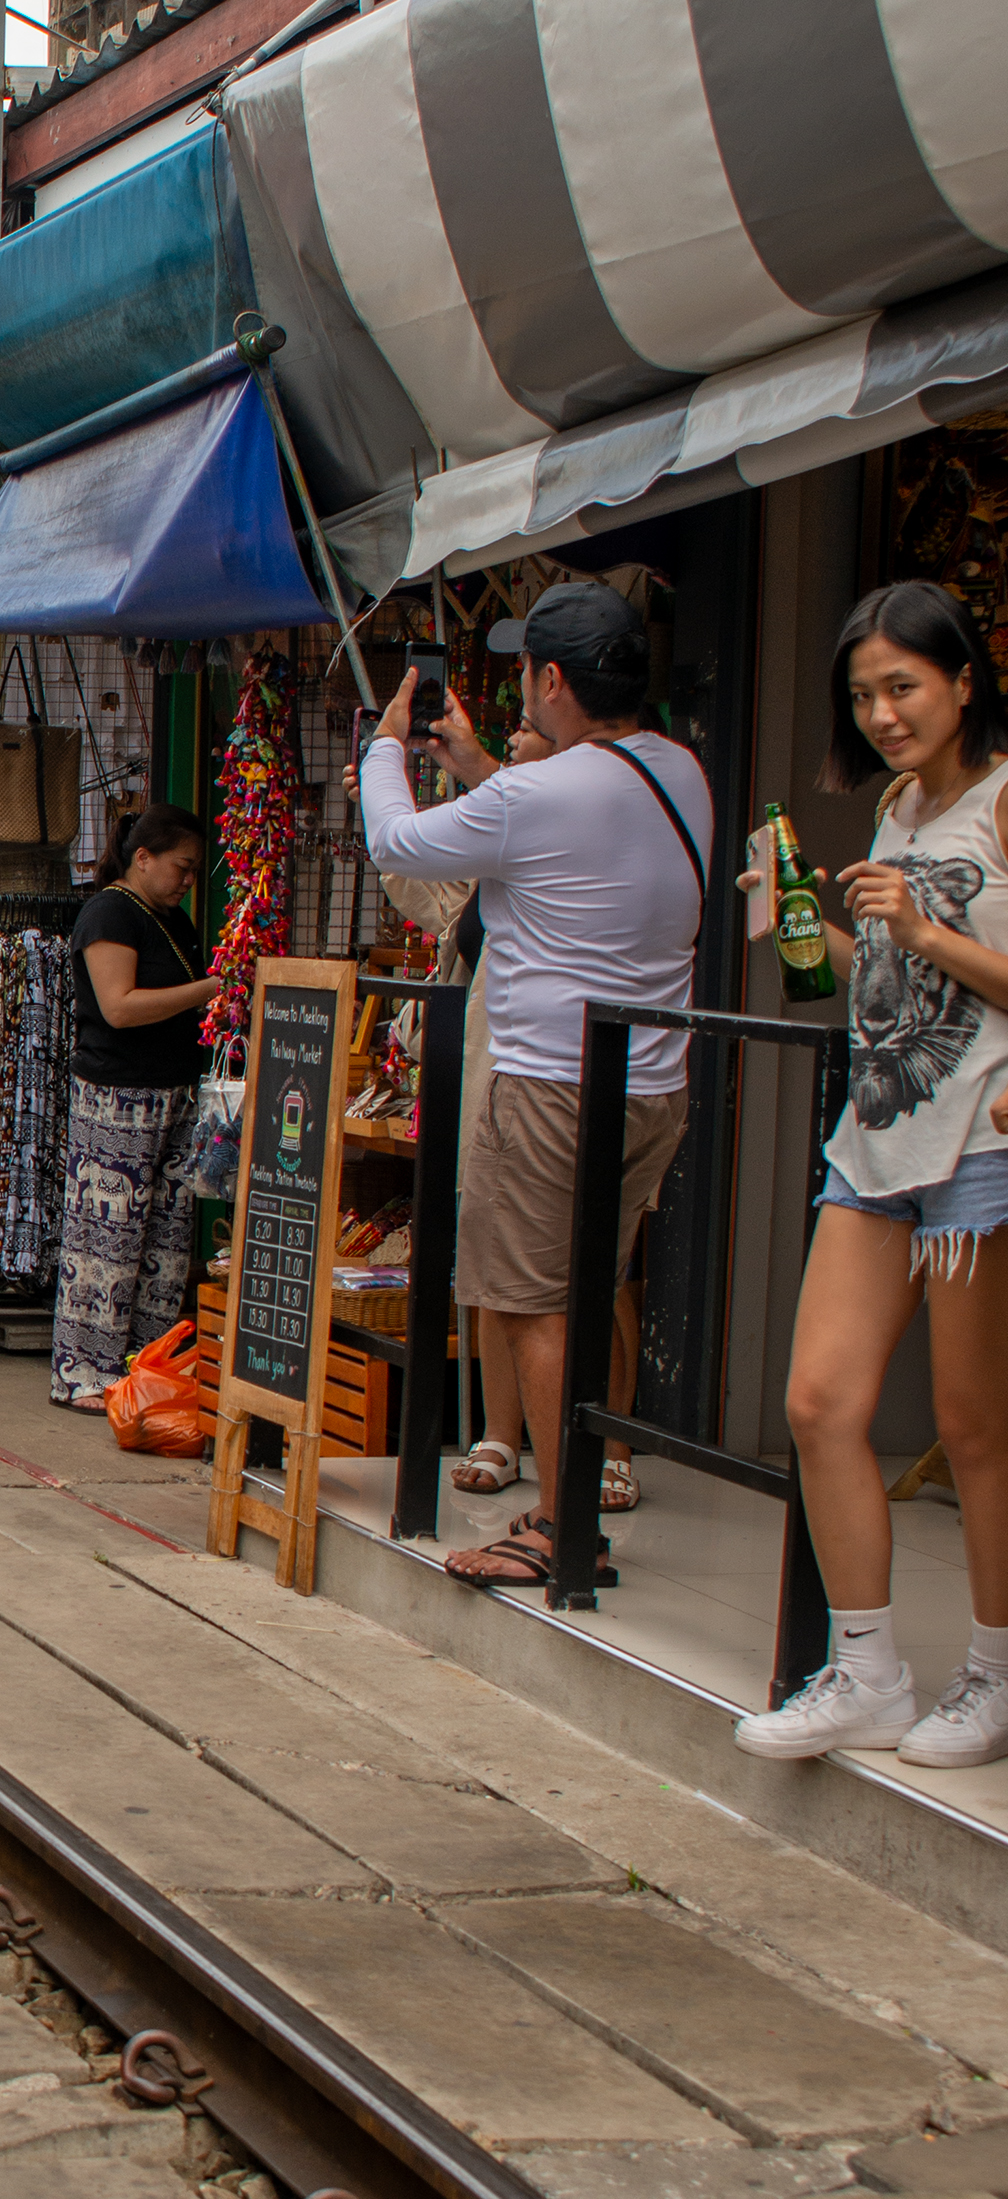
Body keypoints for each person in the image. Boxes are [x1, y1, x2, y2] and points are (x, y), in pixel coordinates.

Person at [359, 581, 709, 1591]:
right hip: (650, 1082)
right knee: (593, 1290)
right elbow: (575, 830)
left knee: (531, 1302)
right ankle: (579, 1496)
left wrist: (390, 747)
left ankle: (560, 1526)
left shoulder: (539, 795)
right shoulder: (680, 771)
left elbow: (397, 842)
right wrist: (474, 766)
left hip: (548, 1083)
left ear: (549, 680)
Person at [731, 582, 1008, 1767]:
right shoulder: (897, 804)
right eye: (864, 694)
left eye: (903, 687)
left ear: (962, 681)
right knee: (820, 1405)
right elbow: (885, 991)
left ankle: (993, 1679)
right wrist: (802, 924)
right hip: (878, 1140)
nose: (885, 713)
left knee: (973, 1428)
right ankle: (868, 1673)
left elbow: (946, 956)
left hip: (978, 1150)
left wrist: (927, 928)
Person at [49, 804, 219, 1409]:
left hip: (174, 1090)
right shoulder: (110, 913)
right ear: (142, 858)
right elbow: (118, 1006)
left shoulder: (173, 917)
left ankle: (144, 1370)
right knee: (108, 1238)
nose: (187, 881)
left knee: (166, 1243)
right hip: (118, 1097)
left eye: (194, 871)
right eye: (181, 867)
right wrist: (211, 989)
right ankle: (82, 1373)